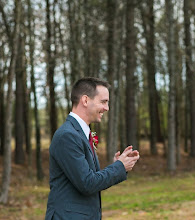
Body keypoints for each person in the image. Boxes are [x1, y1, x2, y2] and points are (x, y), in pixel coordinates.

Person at [45, 77, 140, 220]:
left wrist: (116, 165)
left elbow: (87, 178)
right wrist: (119, 167)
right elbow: (87, 183)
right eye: (103, 102)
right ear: (85, 100)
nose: (107, 108)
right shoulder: (67, 135)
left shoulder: (80, 133)